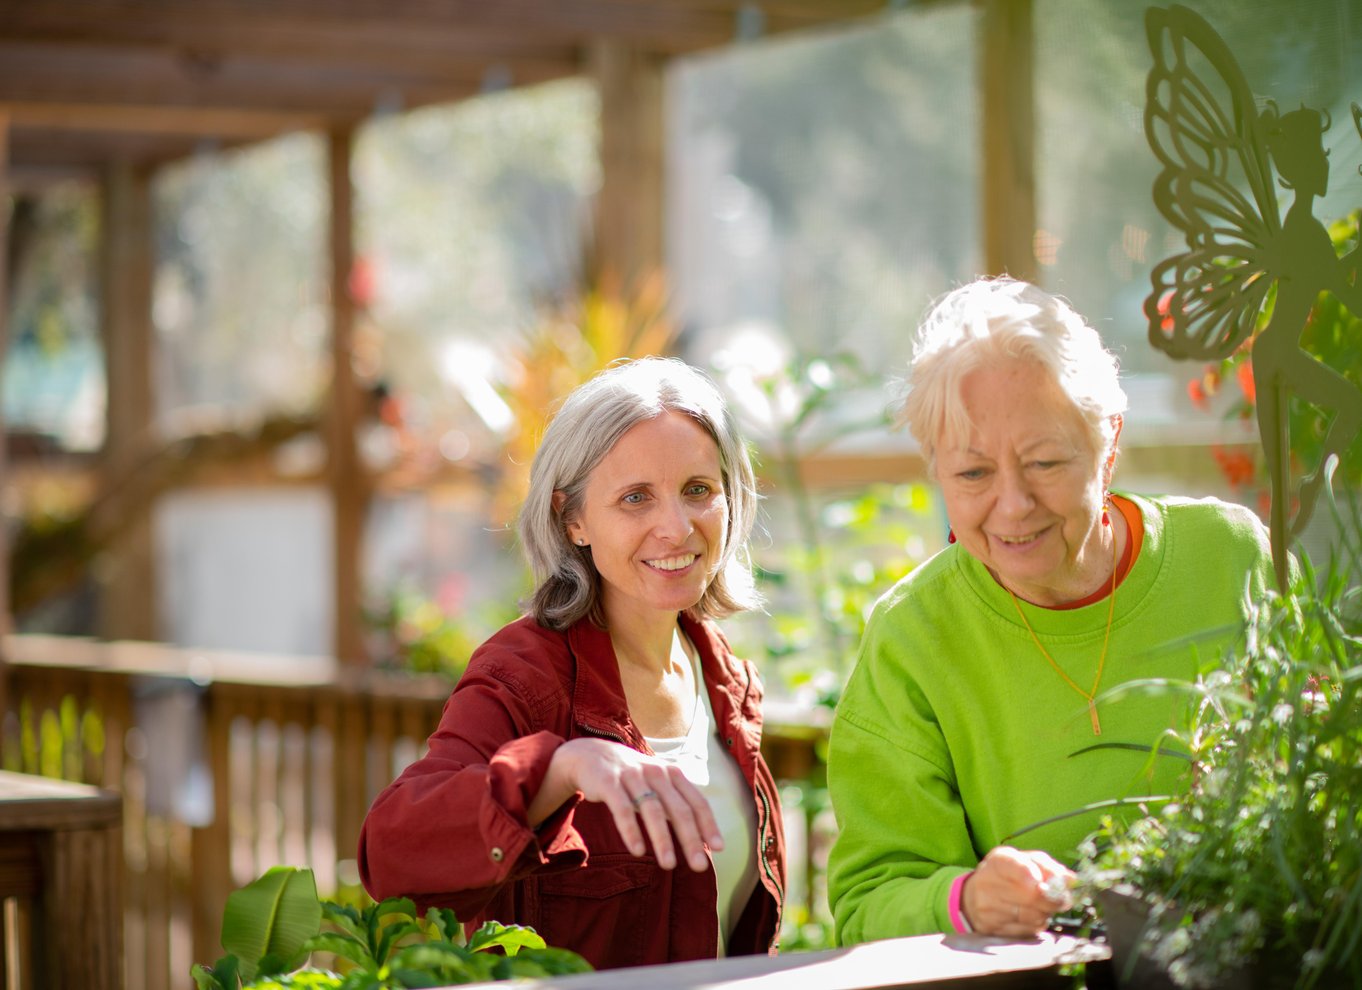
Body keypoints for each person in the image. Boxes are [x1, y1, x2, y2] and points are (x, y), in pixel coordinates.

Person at [826, 277, 1278, 943]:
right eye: (973, 475)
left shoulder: (1230, 557)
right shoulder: (912, 637)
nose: (1013, 506)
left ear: (1109, 445)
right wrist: (968, 901)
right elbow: (867, 904)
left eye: (1044, 463)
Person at [358, 357, 784, 970]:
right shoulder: (526, 674)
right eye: (636, 498)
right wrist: (557, 768)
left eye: (698, 490)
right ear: (572, 518)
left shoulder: (728, 682)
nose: (676, 526)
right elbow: (391, 849)